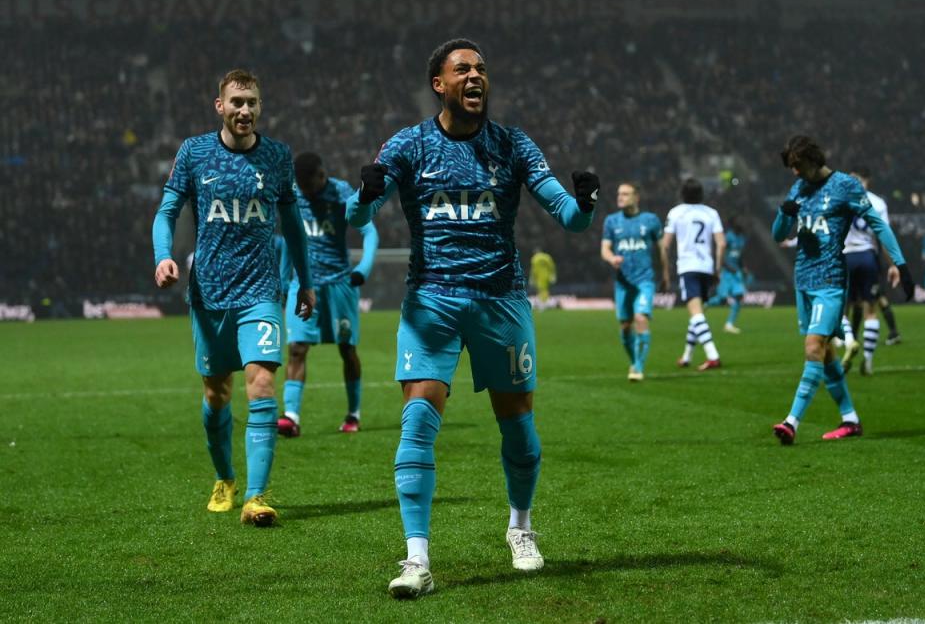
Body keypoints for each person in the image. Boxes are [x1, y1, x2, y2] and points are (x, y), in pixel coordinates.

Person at [345, 38, 599, 599]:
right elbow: (356, 212)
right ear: (440, 83)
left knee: (519, 428)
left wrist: (584, 205)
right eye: (463, 69)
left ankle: (521, 528)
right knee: (417, 419)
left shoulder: (513, 144)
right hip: (431, 299)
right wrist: (364, 197)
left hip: (500, 299)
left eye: (482, 68)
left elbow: (568, 217)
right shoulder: (409, 144)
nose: (476, 75)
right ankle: (417, 559)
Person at [152, 69, 316, 526]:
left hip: (261, 292)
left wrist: (305, 280)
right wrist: (163, 256)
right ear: (219, 105)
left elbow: (293, 227)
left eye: (253, 102)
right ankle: (225, 477)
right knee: (216, 393)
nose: (246, 110)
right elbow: (166, 211)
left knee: (262, 383)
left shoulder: (278, 158)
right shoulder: (195, 153)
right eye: (237, 102)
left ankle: (257, 497)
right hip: (209, 294)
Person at [771, 136, 914, 445]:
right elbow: (778, 235)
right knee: (827, 354)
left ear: (812, 160)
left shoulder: (845, 186)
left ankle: (791, 422)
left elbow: (878, 224)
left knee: (813, 347)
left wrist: (900, 265)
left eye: (797, 166)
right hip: (803, 280)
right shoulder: (799, 188)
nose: (793, 173)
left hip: (831, 279)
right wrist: (785, 213)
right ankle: (850, 419)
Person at [277, 152, 379, 437]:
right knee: (296, 348)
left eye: (309, 185)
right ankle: (291, 416)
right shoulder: (294, 196)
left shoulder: (342, 194)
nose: (306, 191)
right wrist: (284, 282)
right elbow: (290, 237)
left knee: (347, 350)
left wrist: (363, 269)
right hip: (304, 284)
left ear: (321, 176)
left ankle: (353, 413)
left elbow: (370, 232)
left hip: (339, 284)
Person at [601, 182, 666, 381]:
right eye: (619, 193)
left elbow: (662, 249)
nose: (620, 197)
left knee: (640, 318)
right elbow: (604, 249)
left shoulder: (651, 220)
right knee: (625, 326)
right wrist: (612, 258)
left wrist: (666, 275)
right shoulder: (611, 221)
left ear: (636, 197)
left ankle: (638, 366)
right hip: (623, 283)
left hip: (644, 280)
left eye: (625, 194)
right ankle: (634, 361)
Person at [838, 166, 900, 375]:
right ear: (868, 180)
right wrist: (892, 265)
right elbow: (883, 235)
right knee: (870, 311)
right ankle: (868, 361)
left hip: (845, 256)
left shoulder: (840, 198)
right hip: (867, 256)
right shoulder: (878, 202)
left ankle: (848, 342)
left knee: (841, 310)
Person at [659, 178, 724, 371]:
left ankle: (713, 355)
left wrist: (665, 273)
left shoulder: (676, 213)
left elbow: (665, 245)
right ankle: (687, 356)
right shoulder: (712, 213)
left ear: (682, 194)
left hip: (688, 267)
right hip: (707, 267)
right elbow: (721, 244)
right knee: (697, 313)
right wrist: (717, 270)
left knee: (695, 314)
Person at [707, 216, 748, 334]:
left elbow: (739, 256)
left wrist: (743, 267)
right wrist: (727, 267)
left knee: (739, 297)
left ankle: (729, 324)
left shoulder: (742, 238)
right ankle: (704, 304)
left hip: (736, 274)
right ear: (734, 224)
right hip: (727, 273)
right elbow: (721, 255)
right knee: (721, 300)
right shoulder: (728, 237)